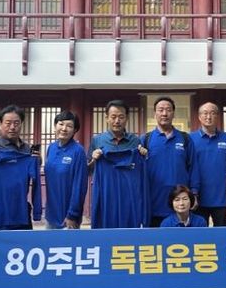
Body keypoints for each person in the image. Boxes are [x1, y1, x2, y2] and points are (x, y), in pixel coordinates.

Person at [88, 100, 149, 228]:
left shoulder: (135, 141)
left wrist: (144, 155)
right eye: (113, 117)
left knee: (128, 231)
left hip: (129, 194)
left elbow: (142, 170)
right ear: (106, 118)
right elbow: (88, 170)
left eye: (121, 117)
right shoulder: (97, 140)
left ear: (126, 118)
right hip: (106, 192)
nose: (117, 121)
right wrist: (93, 159)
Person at [142, 96, 198, 227]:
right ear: (155, 114)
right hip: (154, 202)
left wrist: (194, 193)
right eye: (160, 110)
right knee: (155, 238)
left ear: (173, 113)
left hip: (180, 204)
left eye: (168, 110)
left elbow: (193, 167)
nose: (164, 113)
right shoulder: (146, 139)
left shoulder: (185, 138)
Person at [190, 102, 226, 226]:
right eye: (205, 113)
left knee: (222, 234)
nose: (208, 117)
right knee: (199, 234)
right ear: (199, 117)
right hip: (198, 198)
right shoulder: (190, 139)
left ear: (218, 116)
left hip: (222, 199)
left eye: (212, 113)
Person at [44, 111, 88, 229]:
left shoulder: (78, 151)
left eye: (69, 126)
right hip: (50, 214)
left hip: (68, 218)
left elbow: (80, 186)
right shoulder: (51, 148)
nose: (64, 129)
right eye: (61, 124)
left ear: (75, 130)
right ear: (55, 126)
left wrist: (72, 214)